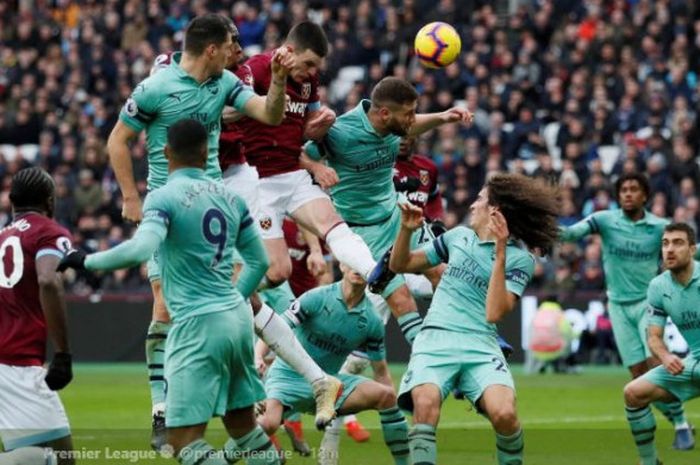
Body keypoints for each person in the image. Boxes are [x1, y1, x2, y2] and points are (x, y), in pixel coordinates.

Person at [110, 14, 339, 446]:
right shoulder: (158, 85)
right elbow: (117, 140)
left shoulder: (225, 85)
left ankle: (315, 379)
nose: (239, 51)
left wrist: (276, 81)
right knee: (163, 305)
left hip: (214, 207)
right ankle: (161, 409)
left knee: (248, 299)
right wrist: (130, 198)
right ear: (212, 48)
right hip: (169, 209)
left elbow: (270, 116)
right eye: (232, 43)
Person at [58, 119, 280, 465]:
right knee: (245, 430)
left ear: (165, 153)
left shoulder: (163, 197)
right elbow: (260, 262)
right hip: (236, 322)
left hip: (196, 325)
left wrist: (84, 261)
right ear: (207, 154)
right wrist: (236, 299)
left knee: (182, 442)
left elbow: (138, 250)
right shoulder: (232, 198)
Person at [390, 173, 560, 465]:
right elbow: (400, 264)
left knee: (505, 414)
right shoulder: (457, 237)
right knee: (425, 403)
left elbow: (494, 313)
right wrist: (405, 231)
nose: (472, 205)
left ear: (494, 211)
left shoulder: (521, 261)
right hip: (435, 339)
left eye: (480, 199)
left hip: (480, 343)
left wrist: (501, 253)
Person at [303, 77, 472, 346]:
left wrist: (444, 117)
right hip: (364, 233)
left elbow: (412, 125)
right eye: (408, 113)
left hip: (397, 216)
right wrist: (317, 168)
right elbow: (297, 153)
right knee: (402, 299)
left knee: (442, 274)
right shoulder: (340, 133)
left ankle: (474, 338)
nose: (411, 120)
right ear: (384, 114)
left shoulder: (395, 126)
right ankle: (427, 359)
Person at [231, 21, 379, 292]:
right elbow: (231, 117)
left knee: (333, 225)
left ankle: (376, 272)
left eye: (316, 68)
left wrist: (321, 124)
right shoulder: (256, 69)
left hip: (294, 173)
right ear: (289, 50)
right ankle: (227, 295)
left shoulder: (308, 80)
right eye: (308, 64)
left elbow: (305, 127)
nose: (312, 72)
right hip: (258, 181)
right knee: (278, 272)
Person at [559, 172, 694, 449]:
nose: (628, 194)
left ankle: (681, 425)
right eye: (623, 190)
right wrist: (535, 224)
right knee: (638, 378)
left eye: (634, 189)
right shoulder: (605, 220)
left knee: (657, 367)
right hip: (617, 307)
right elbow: (571, 233)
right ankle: (680, 423)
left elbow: (687, 249)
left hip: (648, 304)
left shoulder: (659, 227)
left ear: (645, 194)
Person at [256, 265, 410, 465]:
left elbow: (381, 372)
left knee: (386, 395)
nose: (357, 269)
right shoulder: (317, 297)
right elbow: (276, 327)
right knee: (267, 425)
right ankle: (219, 458)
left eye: (361, 264)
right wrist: (258, 356)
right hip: (287, 378)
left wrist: (394, 412)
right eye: (351, 262)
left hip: (330, 386)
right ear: (342, 266)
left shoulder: (372, 320)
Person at [0, 167, 75, 465]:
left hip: (6, 358)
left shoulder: (2, 235)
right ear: (49, 200)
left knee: (31, 455)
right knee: (61, 458)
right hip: (18, 363)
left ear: (13, 201)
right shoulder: (49, 232)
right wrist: (63, 353)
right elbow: (48, 280)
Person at [624, 223, 700, 465]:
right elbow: (654, 336)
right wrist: (666, 357)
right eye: (665, 243)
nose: (669, 249)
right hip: (694, 363)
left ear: (692, 249)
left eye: (677, 243)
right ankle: (649, 462)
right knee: (633, 393)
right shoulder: (658, 286)